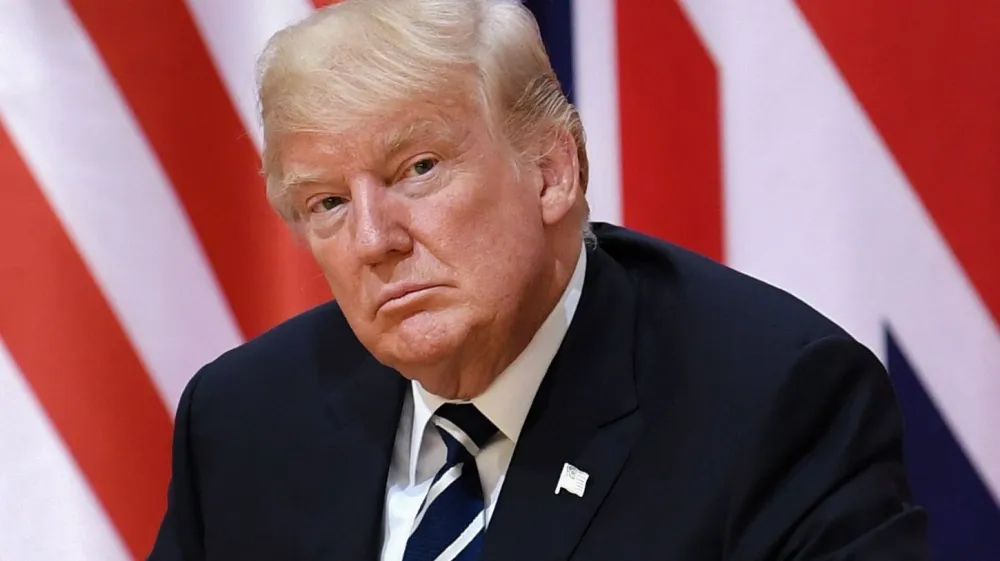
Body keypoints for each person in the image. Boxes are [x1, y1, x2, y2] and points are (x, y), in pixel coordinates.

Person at [148, 0, 930, 559]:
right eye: (327, 203)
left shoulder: (772, 405)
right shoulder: (243, 420)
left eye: (418, 168)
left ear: (553, 171)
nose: (374, 240)